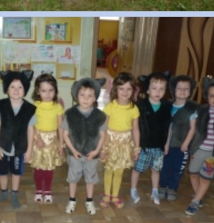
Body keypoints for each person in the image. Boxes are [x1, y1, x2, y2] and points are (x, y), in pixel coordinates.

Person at [185, 74, 214, 216]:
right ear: (207, 97)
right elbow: (193, 125)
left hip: (213, 154)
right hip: (198, 150)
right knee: (193, 174)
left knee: (205, 178)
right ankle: (198, 196)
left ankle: (195, 202)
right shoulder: (202, 110)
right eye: (212, 96)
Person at [0, 71, 36, 210]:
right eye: (12, 87)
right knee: (2, 172)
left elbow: (31, 130)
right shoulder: (1, 105)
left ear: (25, 89)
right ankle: (3, 192)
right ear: (7, 89)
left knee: (16, 173)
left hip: (20, 147)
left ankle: (15, 194)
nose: (16, 90)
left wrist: (29, 150)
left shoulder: (30, 109)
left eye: (20, 87)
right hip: (3, 146)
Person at [62, 78, 107, 215]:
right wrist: (73, 150)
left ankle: (89, 200)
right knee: (73, 177)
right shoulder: (70, 114)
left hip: (91, 154)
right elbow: (65, 135)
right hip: (74, 154)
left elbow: (103, 135)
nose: (86, 99)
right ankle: (72, 200)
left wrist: (96, 151)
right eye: (82, 95)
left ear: (95, 98)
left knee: (90, 178)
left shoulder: (99, 115)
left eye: (90, 96)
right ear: (76, 96)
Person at [131, 73, 174, 205]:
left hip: (158, 146)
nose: (158, 92)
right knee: (137, 169)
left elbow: (169, 127)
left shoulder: (167, 106)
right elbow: (135, 127)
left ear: (165, 91)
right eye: (154, 88)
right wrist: (135, 145)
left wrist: (167, 143)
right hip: (143, 146)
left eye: (161, 89)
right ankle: (133, 189)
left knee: (156, 170)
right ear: (148, 90)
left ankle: (155, 190)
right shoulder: (140, 106)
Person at [101, 72, 140, 209]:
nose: (125, 92)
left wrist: (136, 148)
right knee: (109, 170)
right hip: (110, 143)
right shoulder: (110, 106)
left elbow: (135, 130)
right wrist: (102, 148)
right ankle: (107, 194)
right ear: (115, 89)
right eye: (121, 88)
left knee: (119, 171)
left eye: (128, 89)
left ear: (133, 91)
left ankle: (115, 195)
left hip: (124, 144)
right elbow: (103, 128)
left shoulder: (134, 108)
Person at [160, 75, 198, 201]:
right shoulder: (167, 106)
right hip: (166, 143)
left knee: (178, 168)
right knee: (164, 166)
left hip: (181, 145)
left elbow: (193, 128)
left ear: (190, 91)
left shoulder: (191, 109)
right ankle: (162, 186)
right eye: (179, 88)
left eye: (186, 89)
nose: (182, 91)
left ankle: (172, 187)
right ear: (173, 90)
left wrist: (186, 143)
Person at [28, 74, 65, 204]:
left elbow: (60, 126)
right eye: (44, 90)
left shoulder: (58, 106)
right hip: (38, 140)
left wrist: (61, 144)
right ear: (38, 91)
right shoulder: (35, 106)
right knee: (38, 168)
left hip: (52, 141)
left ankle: (47, 190)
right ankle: (39, 189)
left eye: (51, 90)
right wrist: (37, 138)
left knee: (49, 168)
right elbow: (31, 124)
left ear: (55, 90)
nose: (48, 94)